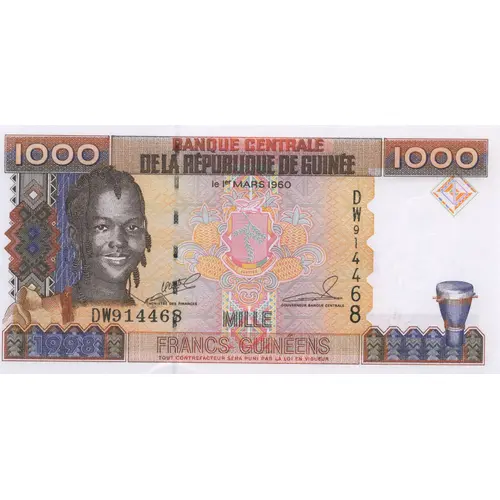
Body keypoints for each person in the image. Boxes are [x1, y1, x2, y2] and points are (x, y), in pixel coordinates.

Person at [4, 166, 152, 326]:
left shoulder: (151, 318)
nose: (119, 241)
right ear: (75, 236)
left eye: (132, 227)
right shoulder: (33, 318)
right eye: (102, 227)